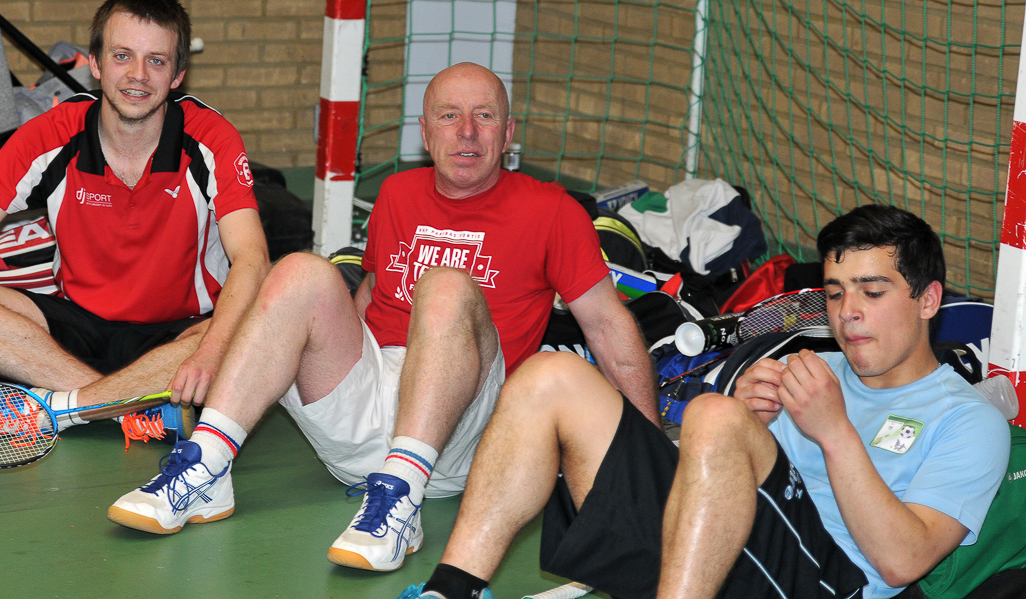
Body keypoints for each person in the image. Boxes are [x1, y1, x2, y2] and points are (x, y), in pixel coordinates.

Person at [107, 62, 659, 573]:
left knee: (443, 286)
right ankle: (207, 466)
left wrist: (651, 457)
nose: (467, 132)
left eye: (485, 116)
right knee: (299, 270)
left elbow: (608, 326)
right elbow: (367, 298)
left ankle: (402, 498)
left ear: (508, 133)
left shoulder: (552, 210)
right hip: (363, 428)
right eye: (450, 116)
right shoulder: (397, 193)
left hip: (462, 432)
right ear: (426, 133)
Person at [399, 204, 1010, 599]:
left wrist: (834, 432)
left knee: (713, 417)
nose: (848, 312)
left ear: (928, 300)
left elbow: (904, 561)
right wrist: (745, 421)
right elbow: (726, 472)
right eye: (834, 293)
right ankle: (450, 589)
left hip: (829, 584)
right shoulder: (808, 368)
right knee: (551, 375)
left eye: (872, 292)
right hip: (713, 556)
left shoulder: (969, 420)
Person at [0, 0, 269, 437]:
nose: (138, 75)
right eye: (122, 56)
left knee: (248, 329)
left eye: (157, 61)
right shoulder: (51, 135)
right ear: (96, 64)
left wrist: (212, 352)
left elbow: (252, 257)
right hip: (75, 333)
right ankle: (129, 409)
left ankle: (61, 406)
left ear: (178, 74)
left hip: (181, 336)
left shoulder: (211, 138)